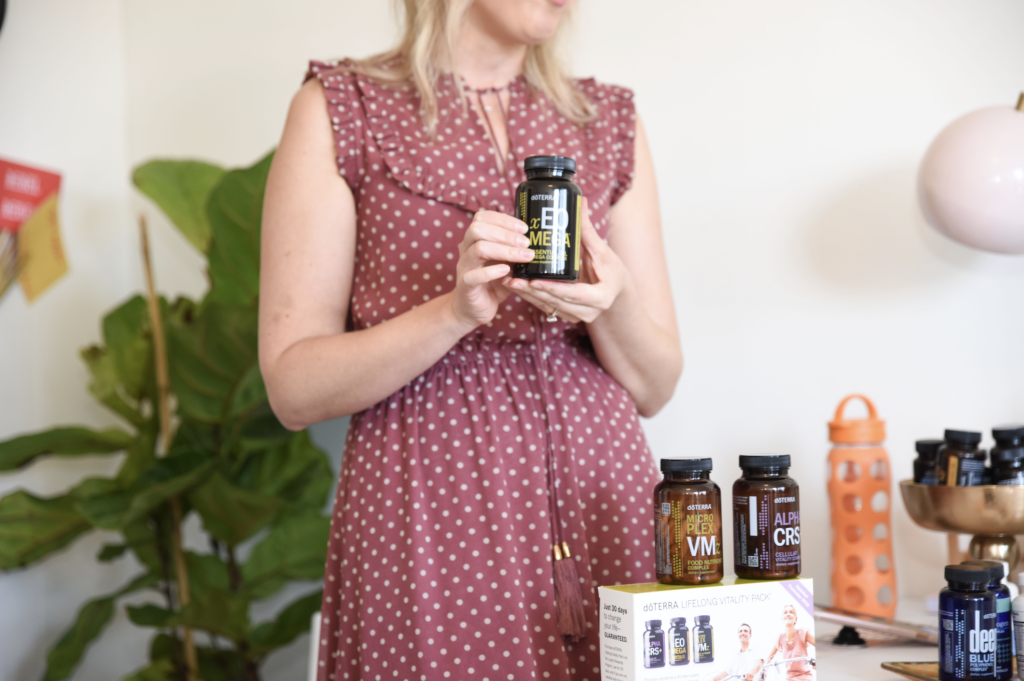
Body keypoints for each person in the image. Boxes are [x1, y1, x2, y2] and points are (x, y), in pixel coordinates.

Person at [258, 0, 681, 679]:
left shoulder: (606, 120)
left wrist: (615, 299)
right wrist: (454, 313)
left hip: (605, 496)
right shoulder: (341, 108)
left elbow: (656, 386)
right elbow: (292, 386)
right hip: (429, 506)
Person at [758, 605, 816, 680]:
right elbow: (769, 659)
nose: (788, 614)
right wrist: (765, 670)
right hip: (790, 678)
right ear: (782, 619)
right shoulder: (780, 638)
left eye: (791, 612)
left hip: (805, 677)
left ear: (795, 619)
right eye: (785, 612)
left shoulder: (802, 633)